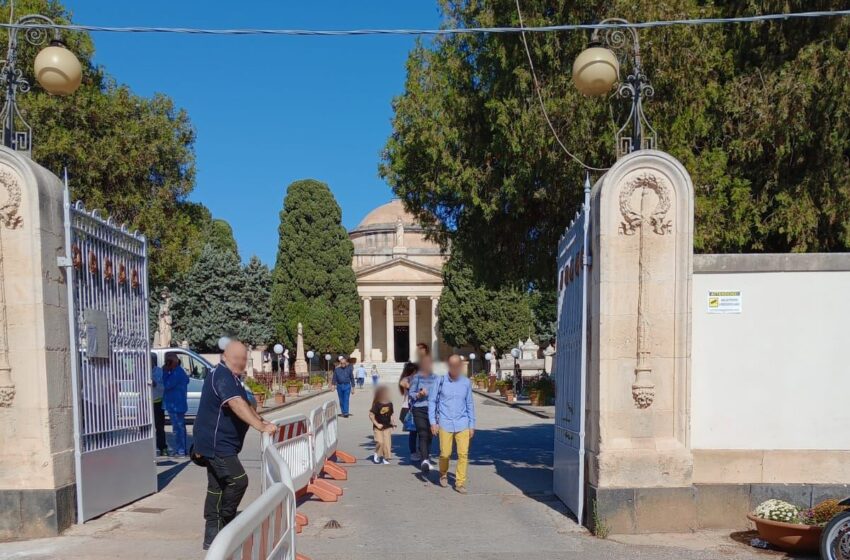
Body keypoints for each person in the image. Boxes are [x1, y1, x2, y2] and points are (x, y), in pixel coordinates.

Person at [194, 340, 277, 550]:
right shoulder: (221, 375)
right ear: (229, 357)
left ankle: (212, 536)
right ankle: (226, 523)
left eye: (244, 358)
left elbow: (245, 404)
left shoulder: (231, 377)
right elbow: (236, 403)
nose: (243, 362)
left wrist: (261, 420)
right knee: (238, 480)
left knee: (217, 487)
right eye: (240, 358)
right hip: (216, 444)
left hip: (219, 443)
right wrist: (260, 427)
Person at [430, 354, 476, 494]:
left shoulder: (466, 382)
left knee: (463, 454)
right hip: (445, 422)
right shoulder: (440, 381)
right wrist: (433, 422)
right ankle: (443, 473)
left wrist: (472, 424)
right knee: (445, 453)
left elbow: (469, 404)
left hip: (463, 423)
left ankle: (460, 482)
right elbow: (432, 401)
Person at [407, 354, 439, 472]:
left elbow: (439, 394)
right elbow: (411, 393)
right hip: (419, 408)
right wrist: (419, 394)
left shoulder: (436, 378)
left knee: (430, 435)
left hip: (432, 410)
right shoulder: (417, 377)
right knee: (423, 433)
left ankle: (426, 456)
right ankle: (424, 459)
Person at [162, 352, 189, 457]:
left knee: (178, 429)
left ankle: (181, 450)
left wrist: (165, 372)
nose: (166, 363)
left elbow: (167, 385)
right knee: (178, 428)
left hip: (176, 404)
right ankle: (180, 449)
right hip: (176, 403)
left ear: (174, 361)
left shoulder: (177, 373)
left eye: (168, 361)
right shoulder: (176, 372)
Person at [397, 362, 419, 461]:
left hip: (420, 407)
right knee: (413, 432)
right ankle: (413, 452)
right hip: (408, 408)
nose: (416, 373)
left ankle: (421, 450)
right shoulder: (406, 379)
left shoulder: (420, 379)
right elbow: (404, 384)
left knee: (422, 432)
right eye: (414, 371)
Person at [369, 385, 395, 464]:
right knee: (380, 442)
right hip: (378, 427)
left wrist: (393, 423)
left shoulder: (390, 404)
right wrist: (377, 424)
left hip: (387, 426)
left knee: (387, 443)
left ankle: (385, 458)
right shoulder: (377, 404)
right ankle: (377, 453)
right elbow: (371, 415)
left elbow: (391, 414)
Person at [150, 354, 167, 457]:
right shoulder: (140, 371)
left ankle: (162, 447)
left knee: (159, 427)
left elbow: (164, 386)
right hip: (145, 403)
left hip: (157, 402)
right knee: (145, 428)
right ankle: (147, 449)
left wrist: (156, 384)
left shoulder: (159, 371)